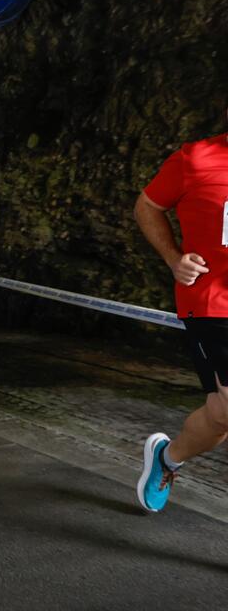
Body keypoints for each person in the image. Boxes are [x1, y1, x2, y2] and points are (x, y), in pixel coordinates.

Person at [133, 114, 228, 513]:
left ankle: (166, 459)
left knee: (222, 415)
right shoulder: (195, 159)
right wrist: (174, 259)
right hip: (213, 302)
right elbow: (147, 207)